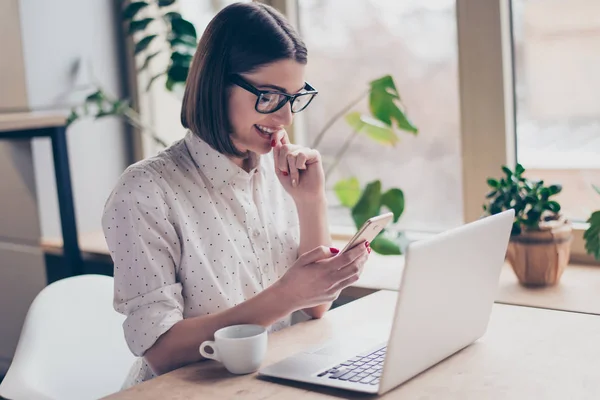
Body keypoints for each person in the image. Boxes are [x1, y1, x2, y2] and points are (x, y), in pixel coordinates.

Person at [102, 2, 370, 388]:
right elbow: (161, 351)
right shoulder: (144, 193)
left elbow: (315, 307)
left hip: (270, 381)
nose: (285, 118)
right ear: (217, 82)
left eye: (293, 97)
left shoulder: (279, 174)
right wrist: (285, 295)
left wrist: (311, 202)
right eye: (269, 96)